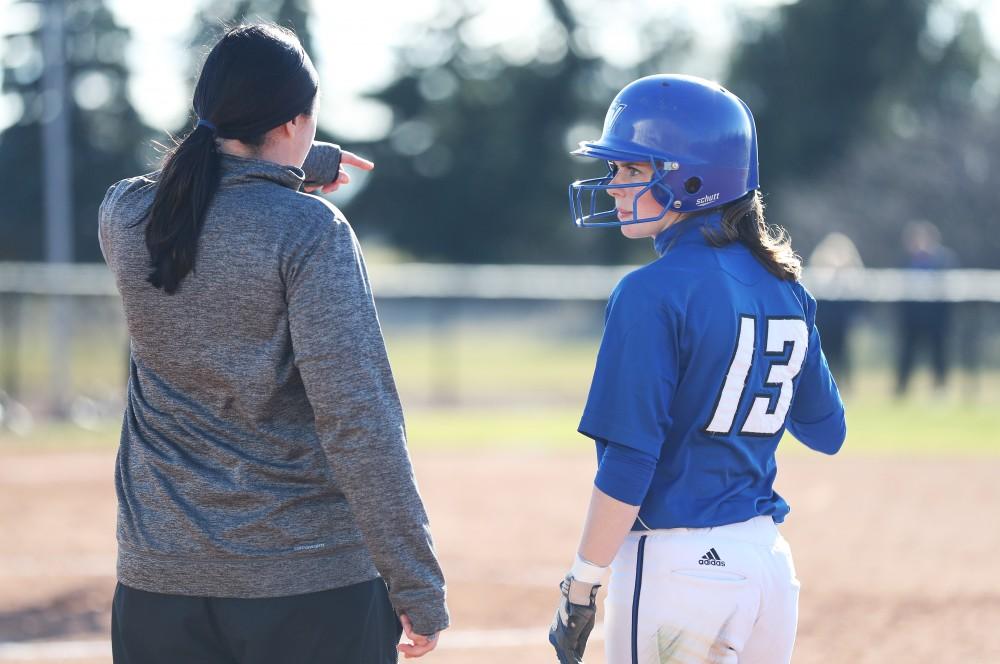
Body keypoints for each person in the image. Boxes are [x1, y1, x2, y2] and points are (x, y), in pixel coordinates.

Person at [98, 24, 447, 663]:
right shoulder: (310, 232)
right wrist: (415, 579)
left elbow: (197, 180)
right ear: (294, 120)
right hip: (308, 589)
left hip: (159, 584)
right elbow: (356, 419)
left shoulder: (125, 216)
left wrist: (288, 163)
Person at [549, 74, 846, 664]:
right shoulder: (786, 288)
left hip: (677, 571)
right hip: (766, 567)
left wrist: (581, 582)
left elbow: (630, 462)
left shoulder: (649, 292)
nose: (612, 188)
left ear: (691, 179)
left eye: (631, 171)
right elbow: (826, 431)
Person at [895, 220, 957, 397]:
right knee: (907, 355)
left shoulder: (944, 260)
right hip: (912, 319)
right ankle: (902, 389)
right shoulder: (905, 260)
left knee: (939, 355)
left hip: (936, 319)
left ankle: (940, 389)